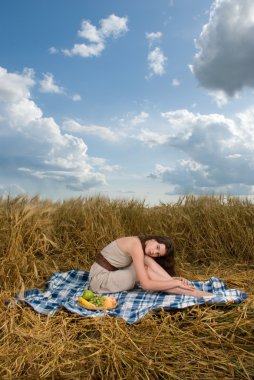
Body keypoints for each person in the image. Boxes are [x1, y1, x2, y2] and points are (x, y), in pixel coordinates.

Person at [88, 235, 213, 298]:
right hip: (99, 280)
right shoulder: (135, 244)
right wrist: (175, 284)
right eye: (157, 247)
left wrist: (173, 280)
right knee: (145, 272)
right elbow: (146, 285)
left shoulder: (139, 246)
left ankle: (189, 290)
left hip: (106, 274)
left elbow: (149, 262)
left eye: (158, 254)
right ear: (153, 239)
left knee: (146, 262)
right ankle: (194, 293)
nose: (154, 252)